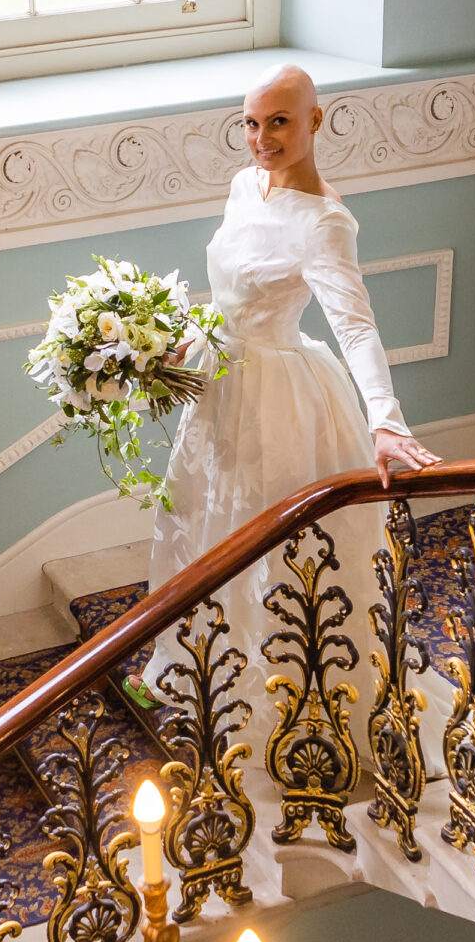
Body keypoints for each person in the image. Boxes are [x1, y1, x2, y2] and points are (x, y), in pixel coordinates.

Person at [129, 64, 441, 717]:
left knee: (274, 550)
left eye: (278, 122)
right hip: (219, 384)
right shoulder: (245, 186)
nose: (261, 137)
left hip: (278, 401)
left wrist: (386, 419)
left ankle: (283, 700)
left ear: (314, 121)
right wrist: (187, 338)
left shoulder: (325, 223)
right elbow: (229, 297)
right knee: (204, 525)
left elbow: (356, 328)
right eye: (250, 123)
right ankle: (211, 672)